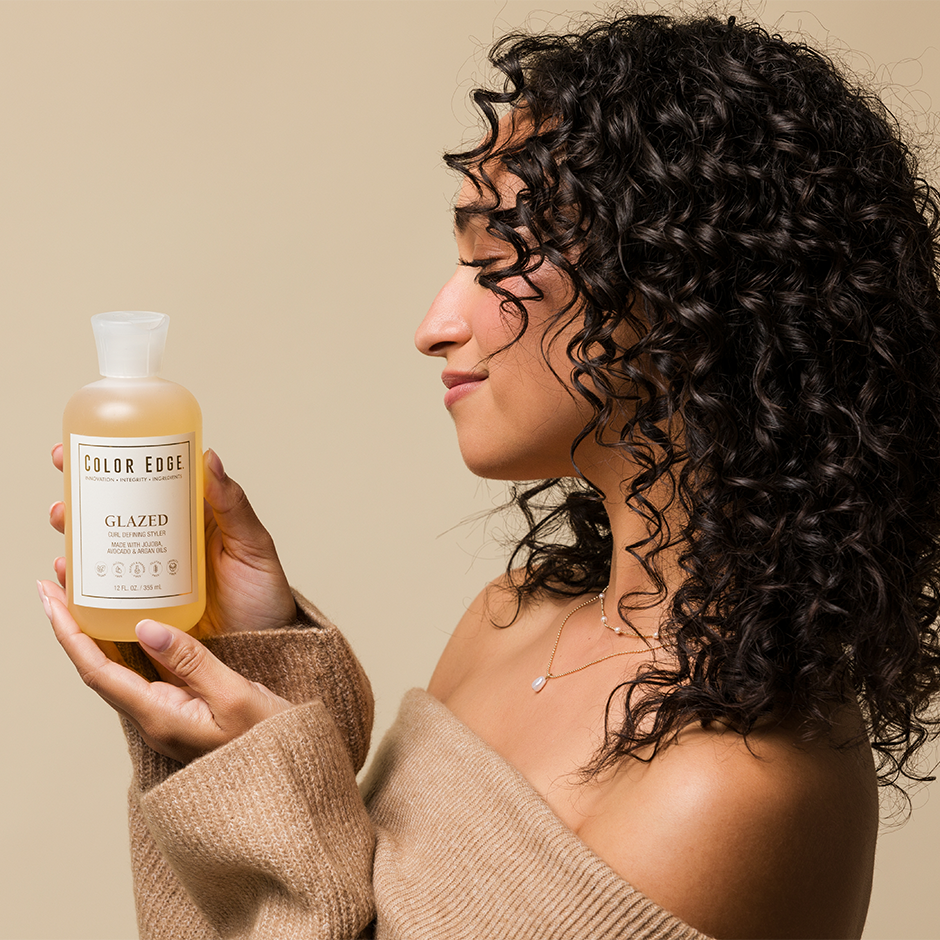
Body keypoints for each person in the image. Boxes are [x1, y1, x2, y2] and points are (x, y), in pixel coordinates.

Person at [37, 11, 940, 940]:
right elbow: (373, 897)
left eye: (491, 257)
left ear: (682, 288)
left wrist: (260, 787)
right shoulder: (513, 615)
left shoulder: (735, 783)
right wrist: (255, 652)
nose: (434, 324)